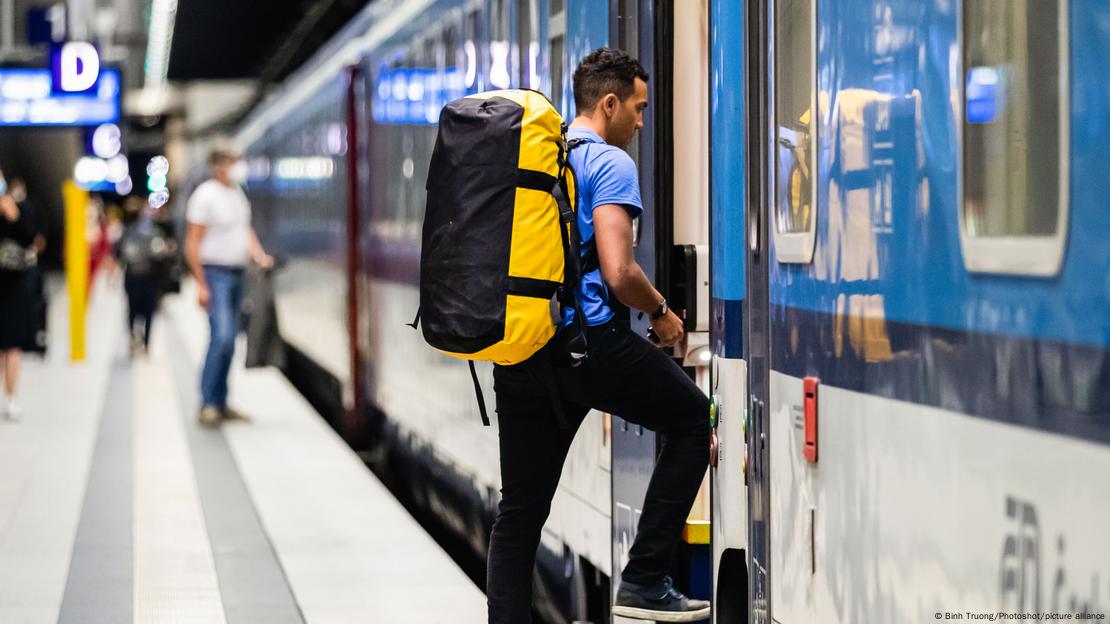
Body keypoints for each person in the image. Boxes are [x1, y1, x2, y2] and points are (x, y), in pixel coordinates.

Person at [486, 48, 710, 622]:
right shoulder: (609, 163)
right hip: (589, 348)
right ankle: (644, 578)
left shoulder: (538, 156)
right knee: (691, 420)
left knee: (520, 513)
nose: (641, 122)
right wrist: (663, 311)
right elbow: (618, 270)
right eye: (637, 109)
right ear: (608, 103)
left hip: (522, 351)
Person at [185, 149, 272, 426]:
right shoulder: (205, 196)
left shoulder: (236, 194)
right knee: (220, 336)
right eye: (233, 162)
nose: (239, 166)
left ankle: (221, 402)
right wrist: (200, 283)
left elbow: (244, 230)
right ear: (219, 166)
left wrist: (258, 254)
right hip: (215, 275)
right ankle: (207, 403)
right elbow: (193, 241)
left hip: (237, 274)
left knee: (231, 340)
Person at [0, 168, 40, 421]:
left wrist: (13, 216)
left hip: (14, 289)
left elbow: (30, 239)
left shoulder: (20, 209)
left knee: (12, 347)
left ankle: (11, 397)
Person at [117, 197, 165, 355]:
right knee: (133, 309)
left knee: (147, 311)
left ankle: (145, 342)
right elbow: (123, 253)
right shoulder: (127, 232)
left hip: (148, 276)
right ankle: (134, 337)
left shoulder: (152, 231)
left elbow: (158, 252)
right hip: (135, 276)